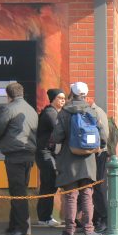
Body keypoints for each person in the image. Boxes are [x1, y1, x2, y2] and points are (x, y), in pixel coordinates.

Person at [53, 82, 106, 235]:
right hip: (88, 161)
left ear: (71, 93)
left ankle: (69, 232)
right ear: (85, 95)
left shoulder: (64, 112)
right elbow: (103, 138)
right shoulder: (92, 112)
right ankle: (89, 231)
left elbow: (56, 137)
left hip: (69, 160)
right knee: (87, 195)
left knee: (70, 196)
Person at [0, 82, 38, 235]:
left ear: (8, 95)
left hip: (15, 155)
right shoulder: (31, 110)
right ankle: (13, 226)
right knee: (19, 190)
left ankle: (23, 229)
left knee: (17, 192)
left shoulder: (8, 108)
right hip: (29, 155)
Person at [36, 88, 65, 227]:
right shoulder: (50, 113)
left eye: (64, 97)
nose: (63, 100)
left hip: (50, 153)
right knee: (48, 183)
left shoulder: (55, 112)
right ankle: (44, 217)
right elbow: (59, 130)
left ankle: (46, 216)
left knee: (50, 184)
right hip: (44, 153)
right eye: (60, 97)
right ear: (52, 99)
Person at [90, 99, 110, 234]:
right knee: (97, 187)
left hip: (98, 153)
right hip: (100, 152)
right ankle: (98, 219)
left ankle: (103, 219)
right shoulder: (98, 111)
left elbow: (103, 135)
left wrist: (98, 147)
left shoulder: (94, 112)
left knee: (97, 187)